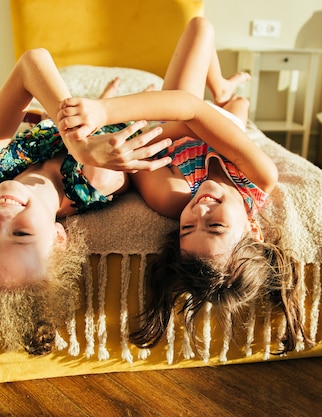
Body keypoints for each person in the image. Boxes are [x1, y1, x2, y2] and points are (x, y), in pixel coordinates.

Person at [57, 17, 305, 353]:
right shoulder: (261, 177)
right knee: (235, 108)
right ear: (253, 228)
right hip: (217, 128)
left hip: (177, 122)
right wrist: (103, 109)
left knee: (200, 30)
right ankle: (221, 90)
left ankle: (222, 94)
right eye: (215, 224)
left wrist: (179, 125)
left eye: (188, 226)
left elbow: (159, 131)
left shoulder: (171, 196)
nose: (199, 209)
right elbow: (192, 112)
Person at [0, 50, 171, 355]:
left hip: (62, 114)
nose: (0, 220)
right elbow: (129, 135)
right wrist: (87, 140)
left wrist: (78, 143)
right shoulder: (97, 179)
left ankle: (101, 97)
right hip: (116, 117)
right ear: (57, 236)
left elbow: (30, 63)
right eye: (20, 235)